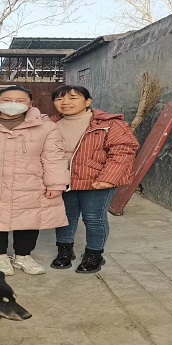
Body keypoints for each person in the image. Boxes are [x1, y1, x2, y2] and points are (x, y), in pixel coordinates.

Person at [0, 86, 69, 275]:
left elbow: (54, 156)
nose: (13, 104)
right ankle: (0, 257)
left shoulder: (45, 126)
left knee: (29, 220)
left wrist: (56, 184)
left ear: (30, 104)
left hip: (30, 183)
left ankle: (23, 257)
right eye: (7, 100)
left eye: (20, 101)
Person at [50, 85, 139, 273]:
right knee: (64, 217)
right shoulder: (50, 124)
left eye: (73, 98)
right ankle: (65, 251)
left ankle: (94, 254)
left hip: (96, 180)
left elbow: (123, 152)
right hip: (62, 179)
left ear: (88, 101)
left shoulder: (109, 124)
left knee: (93, 218)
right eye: (59, 99)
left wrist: (109, 178)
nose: (65, 102)